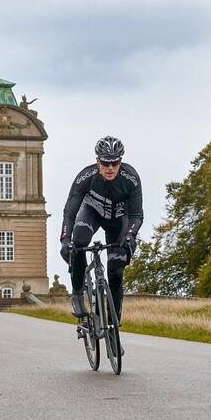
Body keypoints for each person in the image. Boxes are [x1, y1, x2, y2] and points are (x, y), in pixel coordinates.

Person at [60, 136, 143, 321]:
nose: (110, 168)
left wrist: (131, 235)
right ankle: (77, 294)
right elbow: (70, 211)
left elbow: (137, 215)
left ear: (120, 161)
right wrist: (65, 239)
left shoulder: (131, 178)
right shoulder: (86, 177)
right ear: (98, 160)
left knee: (116, 271)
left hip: (120, 219)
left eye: (115, 162)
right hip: (92, 212)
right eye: (106, 163)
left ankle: (114, 321)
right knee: (79, 242)